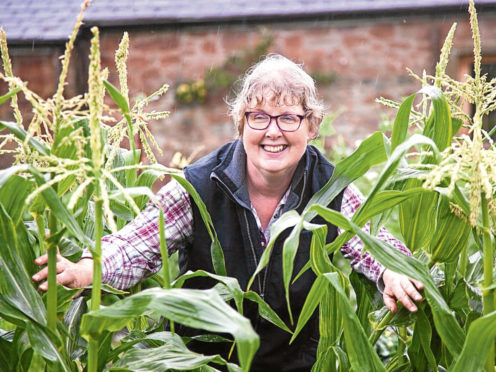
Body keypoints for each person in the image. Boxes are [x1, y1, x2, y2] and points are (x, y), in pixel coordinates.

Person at [33, 54, 423, 371]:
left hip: (295, 364)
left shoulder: (331, 188)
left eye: (289, 118)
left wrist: (391, 270)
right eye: (259, 117)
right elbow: (136, 243)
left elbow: (369, 241)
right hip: (204, 363)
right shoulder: (200, 185)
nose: (273, 131)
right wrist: (86, 268)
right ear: (241, 124)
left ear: (311, 127)